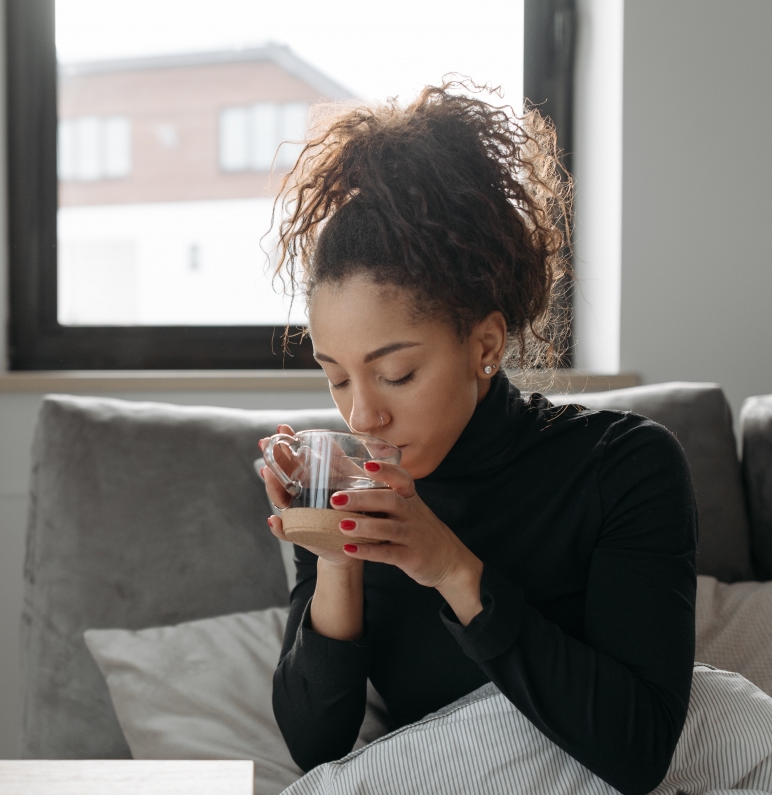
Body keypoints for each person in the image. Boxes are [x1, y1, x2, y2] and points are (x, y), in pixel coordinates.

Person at [260, 83, 697, 795]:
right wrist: (335, 561)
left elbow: (638, 746)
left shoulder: (626, 467)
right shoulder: (358, 490)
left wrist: (451, 567)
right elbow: (317, 747)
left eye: (395, 373)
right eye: (336, 377)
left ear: (484, 343)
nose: (362, 414)